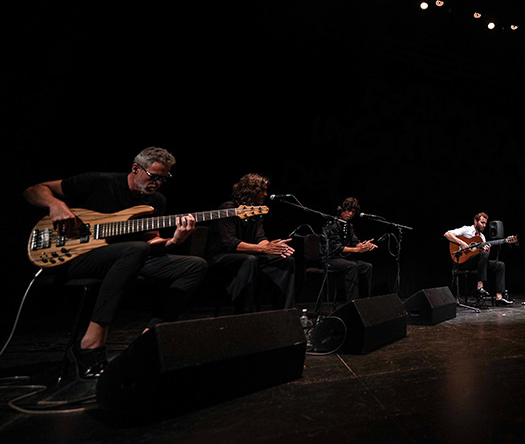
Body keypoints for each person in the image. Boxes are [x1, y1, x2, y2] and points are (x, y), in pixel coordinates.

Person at [22, 147, 208, 379]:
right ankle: (90, 344)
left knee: (195, 265)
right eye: (154, 176)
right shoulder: (99, 182)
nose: (158, 183)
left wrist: (174, 241)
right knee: (136, 249)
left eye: (164, 178)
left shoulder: (155, 201)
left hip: (128, 259)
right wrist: (55, 205)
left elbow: (151, 241)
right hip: (76, 256)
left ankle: (150, 336)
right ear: (136, 169)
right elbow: (33, 190)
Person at [205, 173, 296, 312]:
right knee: (249, 260)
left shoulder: (254, 211)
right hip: (221, 258)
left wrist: (272, 246)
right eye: (262, 190)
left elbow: (260, 238)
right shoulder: (227, 209)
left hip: (248, 255)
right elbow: (230, 243)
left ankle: (285, 312)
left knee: (286, 260)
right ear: (251, 191)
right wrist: (263, 249)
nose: (266, 194)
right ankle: (245, 313)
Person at [444, 212, 513, 306]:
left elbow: (483, 257)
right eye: (482, 222)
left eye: (485, 223)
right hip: (463, 262)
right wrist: (461, 243)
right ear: (475, 221)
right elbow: (447, 234)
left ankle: (499, 297)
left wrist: (487, 251)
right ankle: (479, 287)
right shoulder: (466, 230)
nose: (484, 225)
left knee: (500, 265)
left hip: (477, 264)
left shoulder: (482, 237)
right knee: (483, 255)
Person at [315, 197, 377, 302]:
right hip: (330, 259)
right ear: (342, 210)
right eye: (348, 210)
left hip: (343, 259)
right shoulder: (332, 225)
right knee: (351, 266)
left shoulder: (348, 226)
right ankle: (353, 303)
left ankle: (365, 301)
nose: (350, 214)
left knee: (367, 267)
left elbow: (354, 241)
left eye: (353, 212)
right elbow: (336, 247)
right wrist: (357, 250)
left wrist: (363, 245)